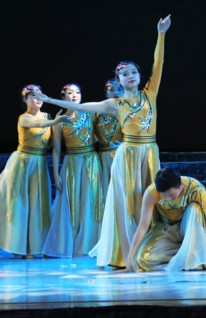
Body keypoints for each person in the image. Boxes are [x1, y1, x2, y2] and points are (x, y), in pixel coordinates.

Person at [35, 15, 170, 268]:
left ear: (139, 75)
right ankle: (124, 254)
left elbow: (158, 62)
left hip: (150, 152)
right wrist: (50, 100)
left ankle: (151, 251)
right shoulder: (114, 104)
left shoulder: (150, 93)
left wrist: (161, 35)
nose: (130, 76)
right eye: (124, 74)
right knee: (129, 203)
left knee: (153, 201)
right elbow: (80, 106)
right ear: (118, 80)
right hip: (128, 155)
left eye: (133, 72)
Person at [126, 167, 206, 271]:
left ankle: (193, 255)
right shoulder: (151, 193)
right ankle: (189, 256)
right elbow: (143, 226)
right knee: (142, 260)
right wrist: (130, 256)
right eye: (163, 196)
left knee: (194, 208)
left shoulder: (197, 190)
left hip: (191, 230)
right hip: (168, 231)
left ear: (180, 185)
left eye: (171, 195)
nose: (168, 199)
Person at [0, 86, 67, 257]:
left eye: (39, 95)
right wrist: (55, 122)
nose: (37, 99)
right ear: (25, 100)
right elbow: (38, 124)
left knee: (37, 204)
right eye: (32, 96)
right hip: (23, 163)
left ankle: (33, 247)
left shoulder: (47, 116)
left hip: (39, 163)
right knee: (21, 204)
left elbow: (53, 143)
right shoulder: (24, 118)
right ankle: (19, 246)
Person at [43, 84, 104, 257]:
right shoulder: (60, 120)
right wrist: (56, 174)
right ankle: (70, 243)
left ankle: (89, 244)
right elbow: (56, 149)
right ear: (63, 97)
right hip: (71, 162)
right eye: (70, 93)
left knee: (89, 200)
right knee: (71, 203)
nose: (74, 95)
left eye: (77, 92)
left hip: (90, 161)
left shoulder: (90, 113)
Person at [92, 79, 123, 191]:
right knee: (105, 189)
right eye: (111, 89)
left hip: (121, 154)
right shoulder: (98, 113)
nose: (116, 92)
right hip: (103, 156)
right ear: (106, 93)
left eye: (119, 89)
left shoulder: (127, 111)